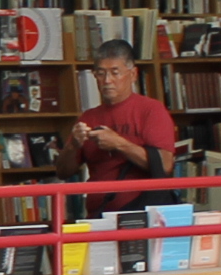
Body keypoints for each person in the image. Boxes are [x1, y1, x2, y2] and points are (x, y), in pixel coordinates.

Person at [61, 36, 175, 216]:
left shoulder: (151, 110)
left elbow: (165, 165)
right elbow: (63, 172)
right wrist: (72, 146)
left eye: (115, 72)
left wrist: (119, 144)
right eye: (100, 73)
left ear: (133, 74)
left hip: (141, 213)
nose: (107, 80)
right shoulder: (88, 117)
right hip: (98, 214)